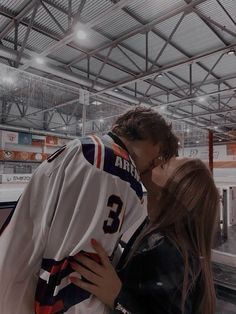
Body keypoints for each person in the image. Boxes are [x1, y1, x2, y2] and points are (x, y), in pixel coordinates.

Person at [0, 107, 178, 314]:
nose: (154, 165)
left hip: (14, 285)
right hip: (24, 300)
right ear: (155, 143)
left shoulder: (89, 147)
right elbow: (73, 274)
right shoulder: (113, 167)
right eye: (159, 156)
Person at [69, 157, 219, 314]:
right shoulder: (159, 233)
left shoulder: (167, 253)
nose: (153, 162)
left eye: (162, 166)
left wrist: (117, 298)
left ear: (172, 193)